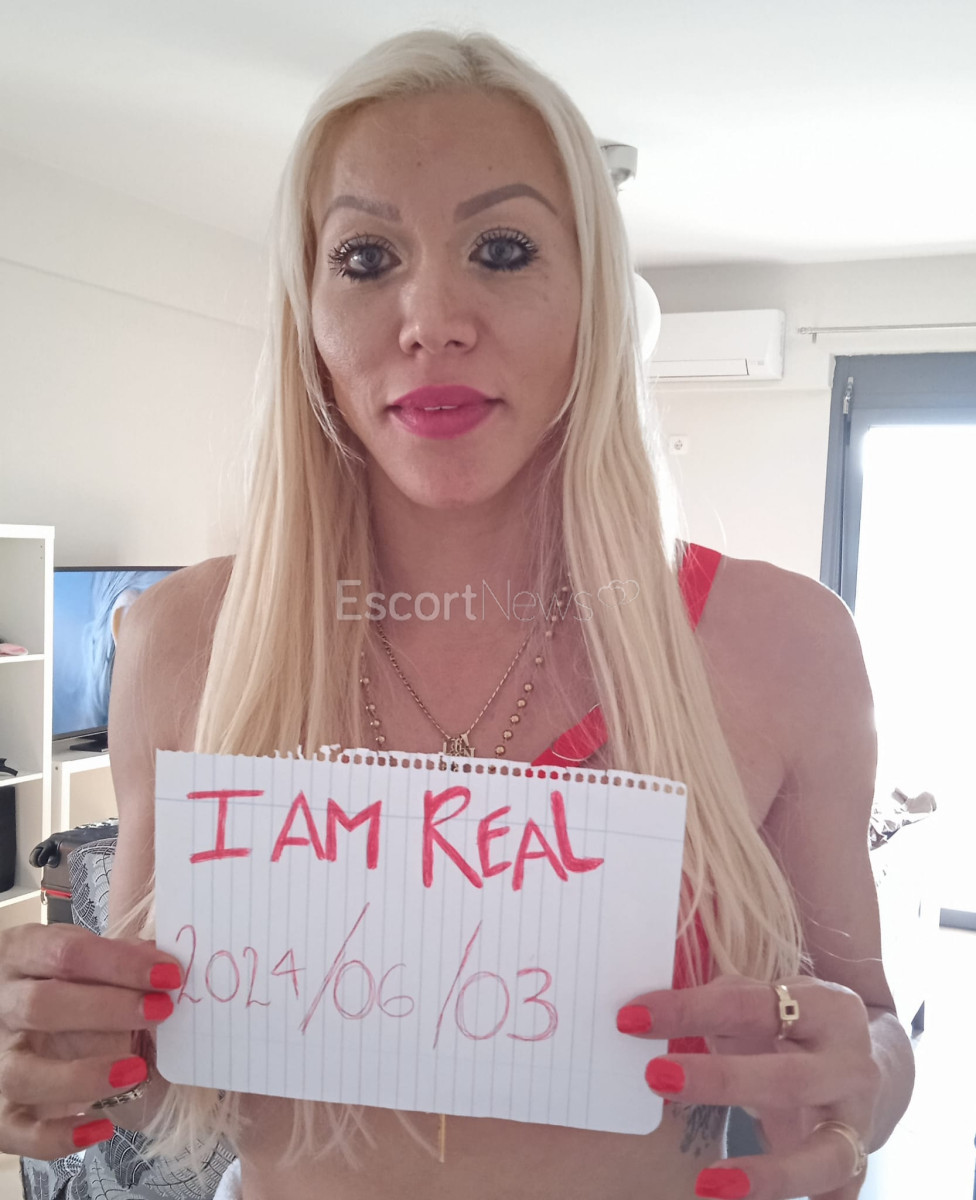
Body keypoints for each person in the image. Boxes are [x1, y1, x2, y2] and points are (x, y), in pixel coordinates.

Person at [0, 28, 913, 1200]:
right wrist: (57, 1052)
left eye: (502, 248)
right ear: (308, 313)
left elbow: (871, 1024)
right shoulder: (181, 640)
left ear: (592, 299)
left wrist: (864, 1073)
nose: (430, 315)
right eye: (366, 256)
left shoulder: (784, 647)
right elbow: (158, 1076)